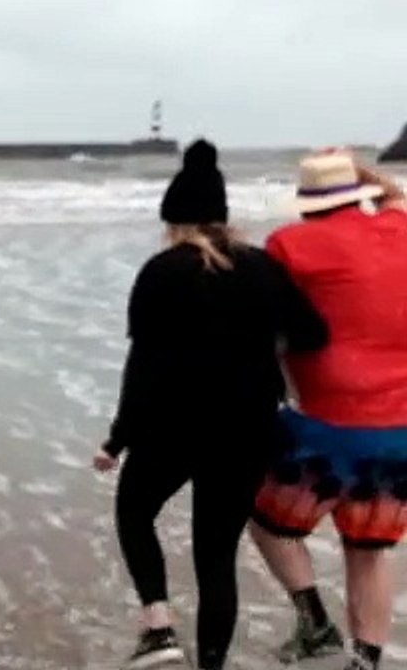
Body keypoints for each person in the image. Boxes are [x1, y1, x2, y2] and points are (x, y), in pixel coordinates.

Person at [93, 139, 329, 670]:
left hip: (172, 431)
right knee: (215, 559)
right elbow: (312, 335)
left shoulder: (161, 272)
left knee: (134, 511)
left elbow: (144, 368)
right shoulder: (263, 268)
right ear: (222, 216)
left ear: (174, 221)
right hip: (246, 433)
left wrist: (117, 438)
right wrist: (263, 344)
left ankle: (158, 626)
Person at [249, 150, 407, 670]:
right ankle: (366, 660)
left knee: (266, 519)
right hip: (400, 429)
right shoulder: (400, 228)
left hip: (325, 425)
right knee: (367, 551)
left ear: (306, 202)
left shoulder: (289, 245)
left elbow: (269, 327)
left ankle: (314, 621)